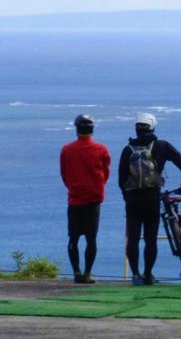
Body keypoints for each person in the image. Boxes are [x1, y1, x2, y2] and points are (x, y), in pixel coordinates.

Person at [118, 111, 181, 285]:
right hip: (151, 198)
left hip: (132, 200)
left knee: (133, 238)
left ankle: (135, 274)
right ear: (152, 127)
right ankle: (148, 274)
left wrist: (128, 197)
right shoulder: (162, 146)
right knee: (150, 239)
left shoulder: (127, 150)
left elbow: (121, 179)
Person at [59, 113, 110, 284]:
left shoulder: (67, 150)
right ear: (92, 129)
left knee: (73, 238)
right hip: (93, 199)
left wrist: (74, 187)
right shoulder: (101, 150)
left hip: (74, 199)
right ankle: (87, 273)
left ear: (76, 129)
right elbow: (106, 173)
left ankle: (76, 272)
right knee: (91, 238)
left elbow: (64, 174)